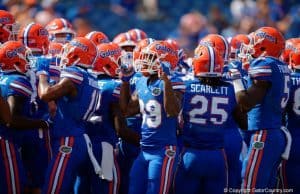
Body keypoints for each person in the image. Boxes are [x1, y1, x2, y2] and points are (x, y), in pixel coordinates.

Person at [173, 45, 247, 194]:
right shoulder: (230, 89)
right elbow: (244, 123)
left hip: (190, 154)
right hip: (217, 156)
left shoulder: (186, 86)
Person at [229, 26, 290, 192]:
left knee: (251, 186)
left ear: (264, 46)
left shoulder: (265, 65)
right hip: (275, 131)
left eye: (255, 42)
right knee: (266, 187)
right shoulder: (280, 66)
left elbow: (246, 102)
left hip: (264, 134)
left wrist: (236, 78)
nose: (251, 45)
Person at [36, 37, 99, 194]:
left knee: (53, 188)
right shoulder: (91, 77)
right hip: (79, 136)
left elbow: (45, 94)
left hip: (68, 139)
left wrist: (42, 74)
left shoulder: (75, 74)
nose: (63, 57)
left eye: (66, 52)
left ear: (76, 55)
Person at [120, 40, 184, 194]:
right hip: (144, 149)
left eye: (150, 58)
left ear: (164, 62)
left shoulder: (175, 82)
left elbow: (173, 111)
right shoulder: (142, 81)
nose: (143, 61)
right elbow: (127, 111)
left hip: (163, 150)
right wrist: (124, 81)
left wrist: (166, 82)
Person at [0, 41, 49, 194]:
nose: (28, 61)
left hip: (8, 138)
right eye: (25, 57)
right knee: (13, 185)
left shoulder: (2, 78)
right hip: (7, 140)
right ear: (15, 60)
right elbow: (12, 120)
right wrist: (42, 123)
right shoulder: (19, 81)